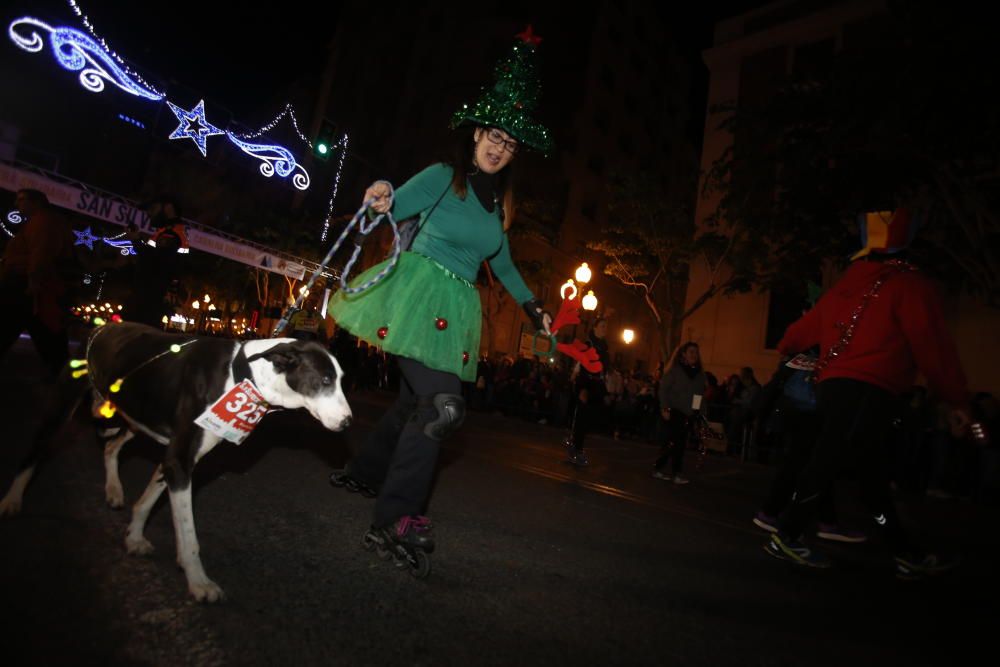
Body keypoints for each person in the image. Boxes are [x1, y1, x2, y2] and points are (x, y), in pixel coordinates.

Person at [326, 29, 554, 569]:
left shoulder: (498, 208)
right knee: (442, 407)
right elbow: (394, 202)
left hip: (455, 310)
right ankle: (395, 519)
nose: (499, 148)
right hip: (414, 293)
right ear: (476, 133)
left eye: (510, 144)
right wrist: (380, 192)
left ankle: (365, 474)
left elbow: (499, 262)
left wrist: (532, 306)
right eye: (494, 136)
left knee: (413, 402)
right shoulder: (444, 176)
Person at [764, 207, 973, 580]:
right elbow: (933, 346)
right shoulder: (912, 285)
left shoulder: (846, 285)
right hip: (871, 390)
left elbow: (797, 334)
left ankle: (903, 550)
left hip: (835, 387)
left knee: (868, 471)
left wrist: (788, 346)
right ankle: (787, 534)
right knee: (833, 461)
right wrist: (956, 399)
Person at [0, 189, 74, 377]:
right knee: (38, 326)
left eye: (21, 200)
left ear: (37, 202)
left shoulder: (43, 222)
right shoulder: (39, 222)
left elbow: (41, 253)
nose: (17, 204)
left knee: (29, 323)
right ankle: (59, 368)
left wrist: (33, 281)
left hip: (25, 284)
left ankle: (59, 369)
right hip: (28, 283)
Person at [653, 342, 706, 485]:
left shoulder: (699, 374)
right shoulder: (676, 370)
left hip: (688, 414)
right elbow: (663, 388)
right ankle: (674, 472)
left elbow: (698, 395)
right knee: (677, 442)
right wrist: (664, 407)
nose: (694, 355)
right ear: (684, 354)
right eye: (691, 352)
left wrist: (697, 413)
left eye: (696, 352)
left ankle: (661, 468)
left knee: (677, 443)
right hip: (674, 410)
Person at [565, 317, 611, 466]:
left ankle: (574, 442)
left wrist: (605, 391)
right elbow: (580, 361)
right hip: (585, 381)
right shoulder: (589, 344)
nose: (605, 329)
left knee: (591, 416)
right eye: (602, 326)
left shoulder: (604, 347)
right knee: (582, 416)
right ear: (595, 328)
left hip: (596, 383)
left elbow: (603, 370)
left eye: (606, 327)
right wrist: (581, 385)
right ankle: (577, 448)